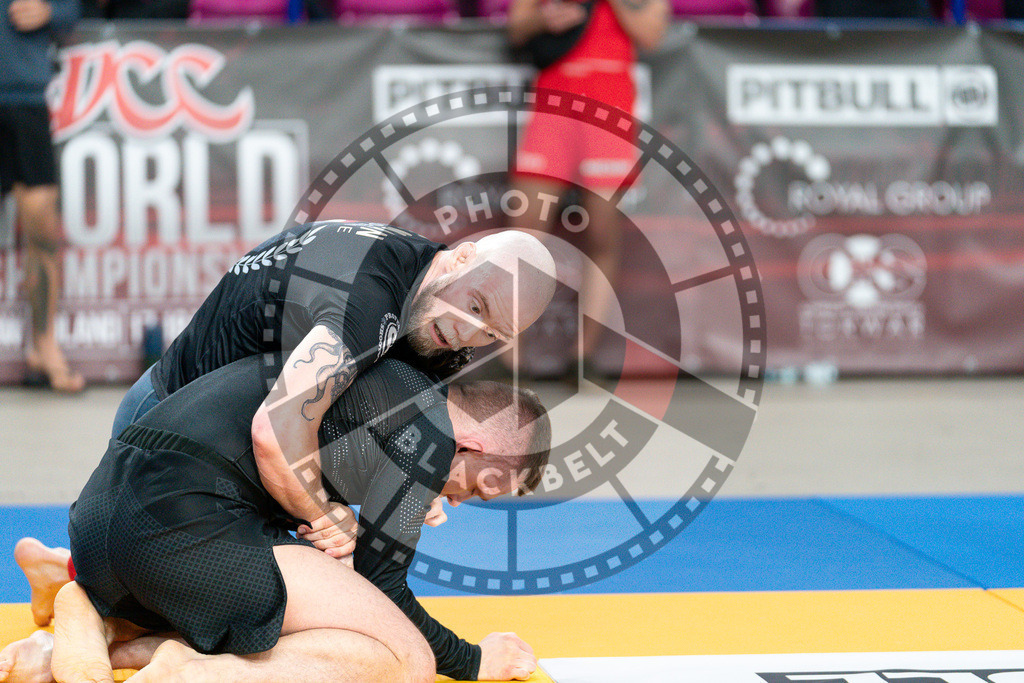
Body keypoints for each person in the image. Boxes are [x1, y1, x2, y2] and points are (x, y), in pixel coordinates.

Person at [2, 354, 551, 682]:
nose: (455, 503)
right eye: (476, 488)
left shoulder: (388, 377)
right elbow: (386, 592)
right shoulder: (425, 435)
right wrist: (473, 660)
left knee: (305, 582)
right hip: (184, 530)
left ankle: (89, 616)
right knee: (402, 659)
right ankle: (199, 672)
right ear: (471, 446)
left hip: (103, 515)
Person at [109, 221, 555, 547]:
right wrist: (325, 515)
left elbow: (392, 415)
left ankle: (69, 572)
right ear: (462, 258)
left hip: (225, 439)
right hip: (165, 421)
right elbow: (275, 432)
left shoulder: (440, 315)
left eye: (492, 334)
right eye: (475, 307)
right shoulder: (364, 298)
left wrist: (426, 474)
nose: (467, 334)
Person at [507, 0, 667, 377]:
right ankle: (509, 357)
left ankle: (583, 356)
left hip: (609, 106)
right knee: (524, 233)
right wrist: (545, 16)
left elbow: (651, 34)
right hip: (553, 102)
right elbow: (517, 28)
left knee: (601, 235)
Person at [1, 0, 84, 392]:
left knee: (42, 234)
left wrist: (50, 11)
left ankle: (44, 347)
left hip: (24, 100)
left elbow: (73, 9)